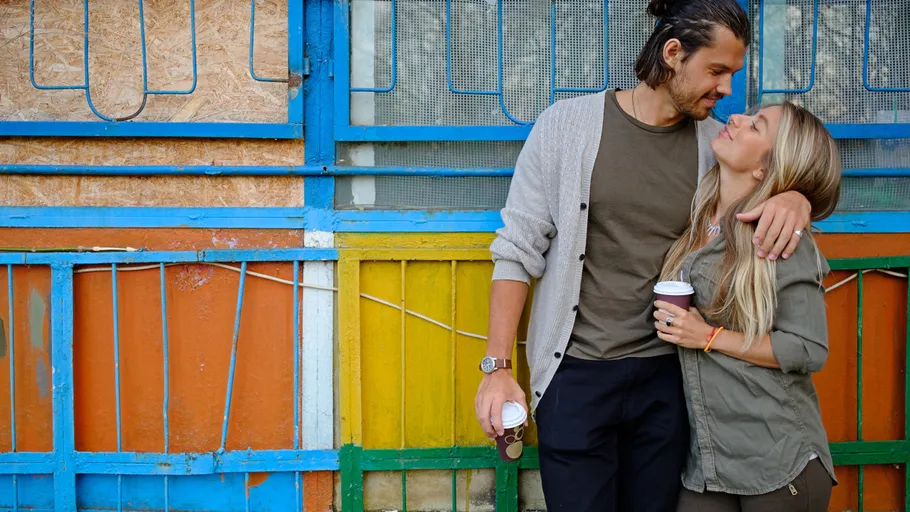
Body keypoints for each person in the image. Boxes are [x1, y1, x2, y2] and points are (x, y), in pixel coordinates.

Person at [475, 0, 813, 510]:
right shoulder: (567, 126)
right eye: (717, 70)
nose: (726, 89)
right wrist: (497, 367)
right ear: (674, 53)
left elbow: (786, 169)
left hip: (670, 381)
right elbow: (518, 249)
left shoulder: (714, 147)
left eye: (731, 74)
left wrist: (799, 195)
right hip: (575, 376)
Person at [654, 102, 840, 511]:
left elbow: (808, 349)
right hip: (707, 464)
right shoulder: (696, 222)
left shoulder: (778, 238)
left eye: (755, 126)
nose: (734, 118)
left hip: (778, 462)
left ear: (764, 168)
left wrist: (709, 337)